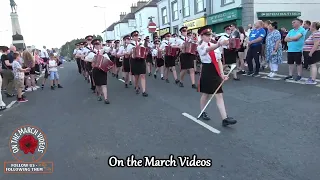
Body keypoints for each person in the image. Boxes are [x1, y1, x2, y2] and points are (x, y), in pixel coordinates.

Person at [197, 25, 237, 126]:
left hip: (214, 70)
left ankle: (225, 118)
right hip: (207, 70)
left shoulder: (214, 44)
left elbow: (218, 60)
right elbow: (208, 50)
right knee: (206, 94)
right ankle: (203, 111)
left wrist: (222, 74)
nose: (209, 37)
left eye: (210, 35)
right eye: (206, 35)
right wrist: (219, 43)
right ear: (201, 36)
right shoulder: (200, 46)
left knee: (219, 94)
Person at [129, 30, 148, 97]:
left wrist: (145, 53)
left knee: (142, 75)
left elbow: (144, 51)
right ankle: (136, 86)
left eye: (137, 35)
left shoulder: (141, 43)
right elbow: (127, 53)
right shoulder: (130, 45)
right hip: (134, 61)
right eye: (135, 36)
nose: (136, 37)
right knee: (136, 76)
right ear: (132, 37)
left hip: (141, 60)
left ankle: (144, 91)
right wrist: (132, 52)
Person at [91, 39, 110, 104]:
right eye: (96, 44)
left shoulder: (104, 52)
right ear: (94, 46)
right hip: (95, 70)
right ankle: (99, 94)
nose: (97, 46)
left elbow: (108, 60)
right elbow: (86, 59)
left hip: (103, 70)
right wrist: (93, 60)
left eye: (98, 44)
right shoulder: (91, 53)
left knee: (104, 84)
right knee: (98, 85)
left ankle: (106, 98)